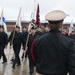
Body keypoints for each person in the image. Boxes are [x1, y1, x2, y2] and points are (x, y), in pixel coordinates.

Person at [31, 10, 75, 75]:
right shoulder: (69, 42)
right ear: (61, 25)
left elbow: (33, 59)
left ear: (48, 25)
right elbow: (72, 65)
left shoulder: (37, 40)